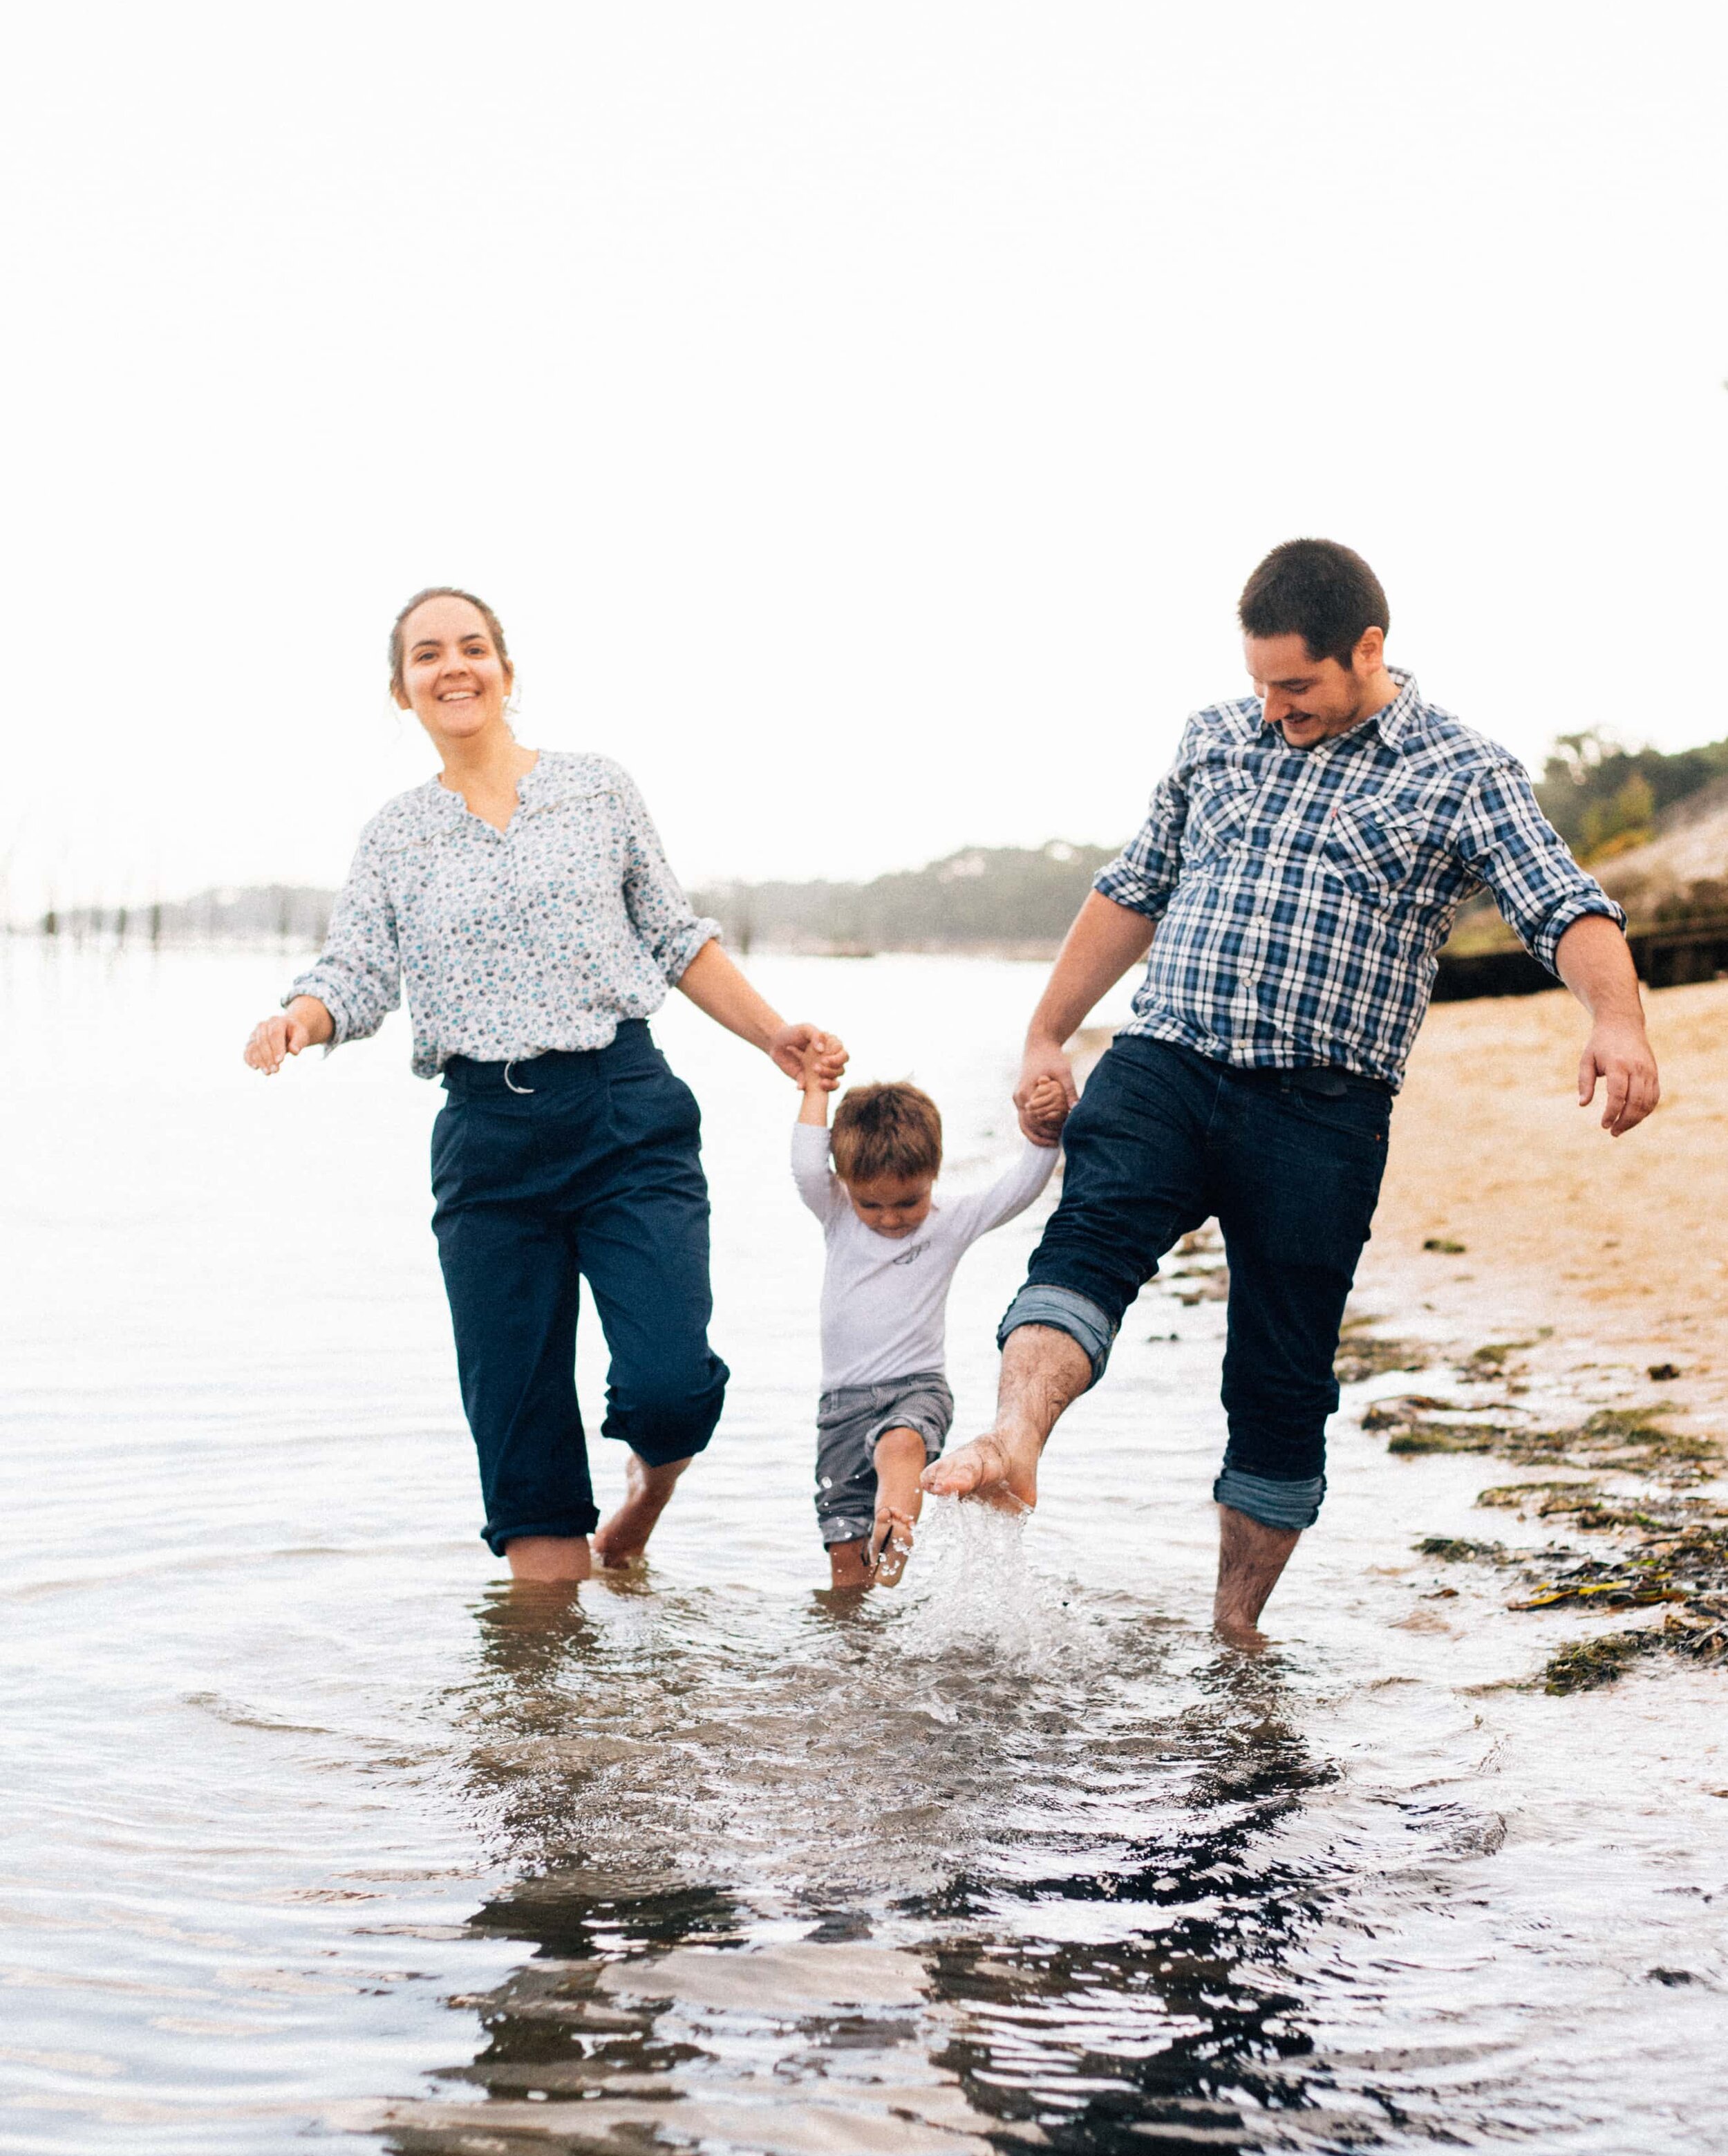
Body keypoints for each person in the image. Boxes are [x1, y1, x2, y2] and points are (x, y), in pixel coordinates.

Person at [924, 538, 1660, 1638]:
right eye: (1260, 682)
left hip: (1322, 1113)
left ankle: (1235, 1635)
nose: (1274, 707)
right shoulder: (1216, 735)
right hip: (1165, 1062)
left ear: (1368, 648)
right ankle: (1015, 1442)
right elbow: (1134, 888)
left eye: (1298, 684)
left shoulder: (1465, 771)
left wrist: (1617, 1018)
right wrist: (1046, 1031)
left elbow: (1562, 902)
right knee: (1083, 1246)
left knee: (1281, 1377)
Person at [243, 587, 845, 1584]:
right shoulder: (396, 835)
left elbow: (673, 933)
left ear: (507, 672)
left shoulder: (597, 789)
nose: (454, 666)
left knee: (666, 1385)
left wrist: (772, 1032)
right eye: (427, 654)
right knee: (522, 1449)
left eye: (472, 647)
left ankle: (647, 1492)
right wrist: (298, 1020)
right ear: (401, 690)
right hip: (488, 1144)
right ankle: (549, 1721)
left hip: (624, 1112)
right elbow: (355, 970)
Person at [791, 1059, 1064, 1588]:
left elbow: (1019, 1188)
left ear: (933, 1175)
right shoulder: (838, 1213)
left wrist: (1044, 1133)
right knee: (844, 1546)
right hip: (840, 1405)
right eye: (873, 1203)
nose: (891, 1218)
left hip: (917, 1386)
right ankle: (856, 1649)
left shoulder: (949, 1224)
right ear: (845, 1181)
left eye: (908, 1202)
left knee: (900, 1439)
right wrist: (815, 1089)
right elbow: (806, 1166)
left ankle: (897, 1517)